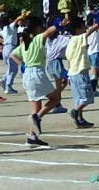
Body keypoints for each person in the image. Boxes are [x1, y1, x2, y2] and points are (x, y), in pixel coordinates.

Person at [9, 14, 63, 147]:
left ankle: (32, 136)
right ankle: (38, 117)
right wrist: (61, 23)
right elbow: (50, 30)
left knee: (35, 106)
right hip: (37, 73)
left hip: (27, 74)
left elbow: (12, 55)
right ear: (37, 28)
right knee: (55, 98)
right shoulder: (38, 38)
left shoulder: (24, 43)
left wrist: (22, 64)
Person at [65, 16, 97, 129]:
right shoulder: (77, 38)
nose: (84, 28)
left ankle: (80, 119)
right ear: (78, 29)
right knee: (87, 97)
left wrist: (68, 75)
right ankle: (75, 111)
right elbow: (89, 32)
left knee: (78, 98)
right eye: (83, 26)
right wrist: (96, 25)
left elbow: (69, 59)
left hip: (73, 72)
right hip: (80, 71)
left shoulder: (70, 42)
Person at [0, 12, 21, 94]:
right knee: (13, 69)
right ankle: (8, 86)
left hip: (5, 48)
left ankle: (4, 80)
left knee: (10, 68)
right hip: (11, 47)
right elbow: (17, 19)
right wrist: (23, 15)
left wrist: (3, 41)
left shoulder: (4, 28)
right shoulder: (11, 26)